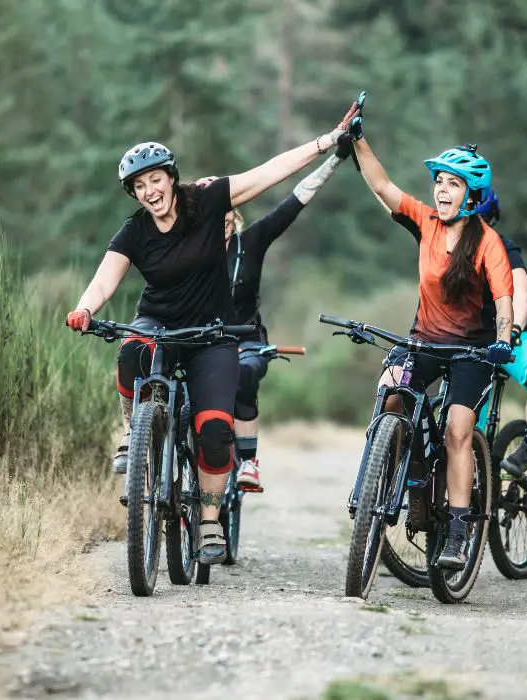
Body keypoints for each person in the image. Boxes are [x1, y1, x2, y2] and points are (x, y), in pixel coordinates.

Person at [64, 116, 350, 565]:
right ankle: (131, 434)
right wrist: (85, 308)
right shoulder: (135, 230)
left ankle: (210, 517)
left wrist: (324, 143)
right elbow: (104, 280)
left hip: (214, 334)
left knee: (215, 429)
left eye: (155, 180)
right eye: (138, 186)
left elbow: (269, 172)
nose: (149, 192)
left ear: (172, 178)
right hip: (159, 323)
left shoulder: (208, 201)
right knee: (132, 351)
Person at [349, 129, 515, 572]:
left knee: (457, 430)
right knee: (390, 393)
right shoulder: (424, 221)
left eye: (453, 183)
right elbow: (383, 187)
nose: (442, 189)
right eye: (439, 181)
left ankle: (458, 531)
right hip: (423, 341)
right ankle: (404, 484)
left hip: (472, 352)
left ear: (472, 194)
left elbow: (503, 301)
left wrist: (502, 341)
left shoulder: (487, 243)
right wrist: (358, 141)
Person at [193, 150, 349, 491]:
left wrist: (335, 158)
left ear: (235, 214)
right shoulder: (186, 248)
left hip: (246, 338)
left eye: (226, 213)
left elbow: (296, 200)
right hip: (198, 339)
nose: (220, 220)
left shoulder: (251, 242)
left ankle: (248, 461)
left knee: (244, 372)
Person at [466, 192, 527, 475]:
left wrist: (513, 330)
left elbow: (521, 295)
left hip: (509, 337)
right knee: (462, 435)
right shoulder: (441, 245)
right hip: (465, 344)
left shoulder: (504, 249)